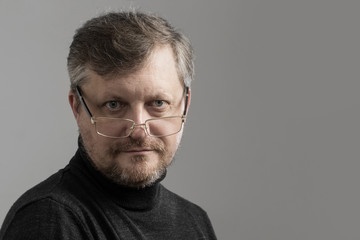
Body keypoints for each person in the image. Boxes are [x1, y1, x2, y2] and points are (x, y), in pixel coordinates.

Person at [0, 11, 217, 239]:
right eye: (114, 105)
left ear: (184, 105)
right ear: (77, 108)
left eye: (158, 103)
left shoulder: (194, 220)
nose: (139, 130)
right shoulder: (49, 218)